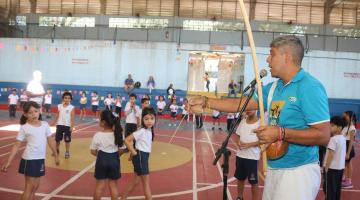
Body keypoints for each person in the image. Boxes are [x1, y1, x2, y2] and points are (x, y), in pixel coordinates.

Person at [189, 36, 330, 199]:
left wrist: (280, 133)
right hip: (274, 168)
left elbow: (323, 135)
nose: (267, 59)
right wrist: (205, 101)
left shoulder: (309, 86)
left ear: (287, 57)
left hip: (298, 172)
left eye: (272, 54)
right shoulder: (273, 88)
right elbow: (240, 103)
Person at [1, 101, 59, 200]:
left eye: (36, 111)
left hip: (40, 159)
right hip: (29, 159)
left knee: (36, 186)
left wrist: (56, 155)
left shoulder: (45, 125)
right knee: (29, 187)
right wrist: (8, 161)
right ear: (25, 114)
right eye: (30, 112)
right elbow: (16, 145)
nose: (34, 114)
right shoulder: (24, 127)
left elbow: (50, 140)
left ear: (39, 111)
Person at [122, 107, 156, 200]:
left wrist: (132, 154)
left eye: (152, 118)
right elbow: (127, 140)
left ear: (155, 119)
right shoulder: (141, 131)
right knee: (146, 183)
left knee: (135, 181)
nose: (149, 121)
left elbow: (138, 144)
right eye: (146, 119)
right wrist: (133, 152)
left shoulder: (149, 130)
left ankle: (123, 198)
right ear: (142, 119)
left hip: (143, 157)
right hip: (141, 157)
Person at [90, 110, 123, 200]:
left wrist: (101, 156)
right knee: (113, 186)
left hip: (101, 159)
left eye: (100, 119)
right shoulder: (118, 134)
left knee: (99, 186)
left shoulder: (98, 135)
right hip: (114, 160)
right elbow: (121, 150)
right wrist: (115, 156)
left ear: (103, 122)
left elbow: (92, 151)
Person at [234, 110, 260, 200]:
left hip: (252, 158)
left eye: (251, 108)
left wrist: (250, 144)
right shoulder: (242, 121)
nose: (248, 110)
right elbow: (237, 135)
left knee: (253, 182)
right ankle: (239, 197)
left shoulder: (260, 123)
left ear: (256, 108)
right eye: (247, 109)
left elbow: (263, 140)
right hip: (240, 156)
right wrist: (238, 143)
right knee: (240, 178)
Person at [323, 116, 346, 200]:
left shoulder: (333, 139)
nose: (330, 127)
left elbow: (331, 154)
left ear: (339, 127)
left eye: (332, 126)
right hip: (340, 168)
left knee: (329, 190)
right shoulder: (342, 138)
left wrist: (326, 167)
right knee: (336, 189)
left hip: (331, 168)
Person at [52, 92, 75, 159]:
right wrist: (54, 122)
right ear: (63, 99)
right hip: (59, 125)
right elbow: (57, 114)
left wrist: (72, 126)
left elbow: (72, 117)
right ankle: (56, 150)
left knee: (67, 140)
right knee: (57, 139)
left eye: (68, 98)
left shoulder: (72, 107)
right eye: (65, 98)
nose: (67, 99)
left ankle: (67, 152)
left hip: (67, 126)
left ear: (70, 99)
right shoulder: (59, 106)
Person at [341, 111, 356, 188]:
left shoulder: (352, 128)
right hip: (344, 146)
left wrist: (348, 153)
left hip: (348, 148)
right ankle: (343, 178)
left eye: (345, 116)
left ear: (350, 117)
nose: (344, 117)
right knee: (344, 164)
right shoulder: (345, 126)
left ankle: (349, 181)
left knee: (348, 164)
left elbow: (351, 142)